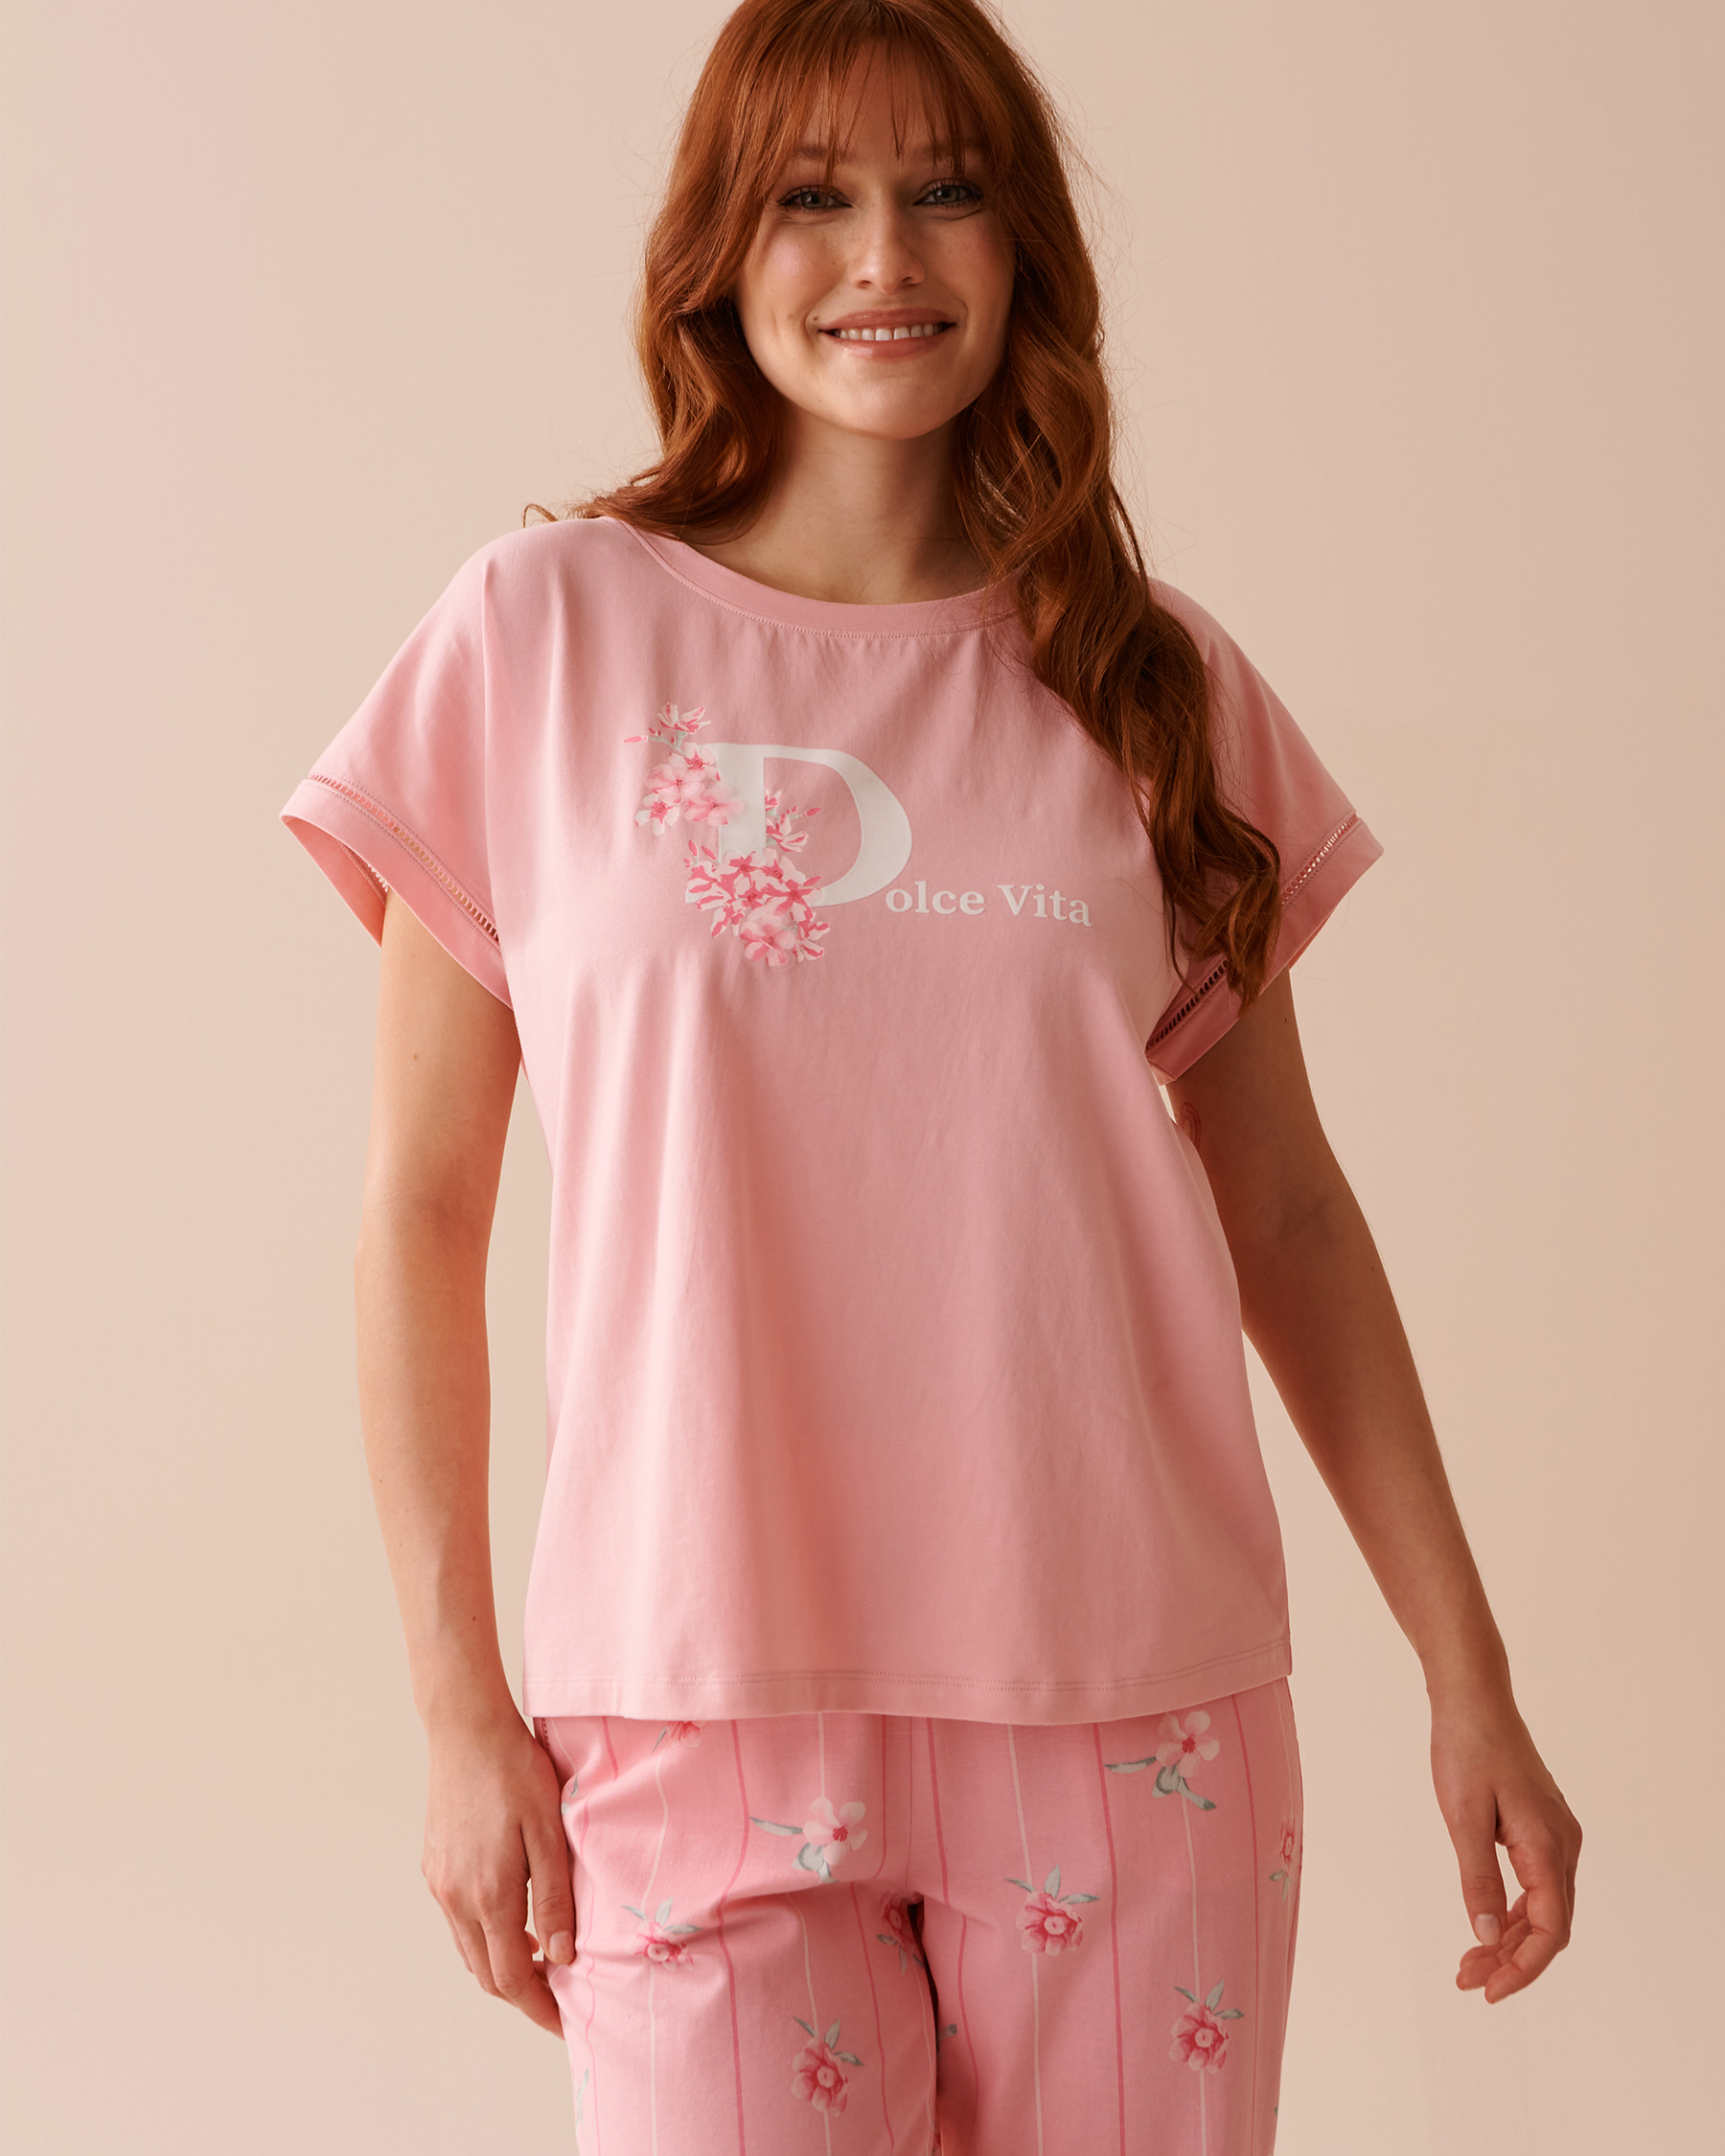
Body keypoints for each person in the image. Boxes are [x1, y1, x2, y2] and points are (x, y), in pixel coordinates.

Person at [281, 1, 1581, 2148]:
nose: (886, 252)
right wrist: (453, 1708)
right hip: (686, 1705)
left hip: (1131, 1707)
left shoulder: (1154, 683)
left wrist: (1470, 1672)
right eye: (817, 194)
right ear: (722, 247)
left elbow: (1288, 1213)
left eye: (946, 188)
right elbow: (419, 1211)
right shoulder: (537, 640)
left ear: (1022, 244)